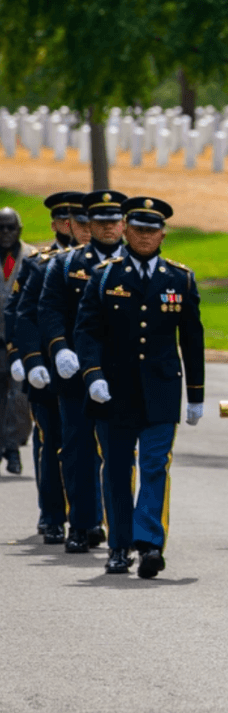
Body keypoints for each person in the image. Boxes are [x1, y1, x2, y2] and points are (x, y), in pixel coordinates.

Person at [75, 197, 204, 576]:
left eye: (153, 230)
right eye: (139, 230)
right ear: (126, 231)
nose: (145, 237)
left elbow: (192, 340)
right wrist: (92, 375)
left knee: (154, 465)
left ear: (163, 234)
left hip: (162, 390)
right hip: (114, 392)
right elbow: (86, 332)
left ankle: (149, 544)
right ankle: (118, 546)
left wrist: (195, 395)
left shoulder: (179, 278)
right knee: (116, 469)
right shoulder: (105, 276)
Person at [38, 190, 127, 552]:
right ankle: (82, 523)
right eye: (99, 222)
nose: (107, 229)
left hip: (119, 373)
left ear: (123, 224)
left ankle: (115, 523)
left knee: (117, 452)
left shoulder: (135, 264)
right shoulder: (66, 264)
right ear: (87, 225)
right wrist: (59, 348)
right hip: (75, 373)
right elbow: (50, 309)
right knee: (77, 450)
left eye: (113, 221)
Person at [6, 192, 84, 540]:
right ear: (55, 224)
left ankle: (87, 516)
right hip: (49, 371)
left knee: (87, 447)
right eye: (65, 220)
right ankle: (52, 514)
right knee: (51, 441)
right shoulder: (40, 262)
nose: (72, 226)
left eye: (79, 220)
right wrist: (23, 357)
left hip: (89, 368)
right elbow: (20, 313)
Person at [1, 207, 37, 475]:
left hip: (22, 339)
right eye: (0, 228)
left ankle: (13, 447)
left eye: (10, 228)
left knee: (20, 398)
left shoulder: (32, 258)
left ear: (19, 230)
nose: (5, 233)